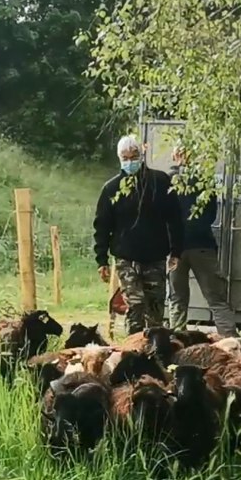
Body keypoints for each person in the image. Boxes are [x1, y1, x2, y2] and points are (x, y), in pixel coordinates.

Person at [93, 135, 183, 334]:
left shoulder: (159, 182)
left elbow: (175, 218)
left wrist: (176, 251)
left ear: (141, 156)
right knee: (136, 305)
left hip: (155, 257)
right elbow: (102, 226)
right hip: (126, 257)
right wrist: (102, 260)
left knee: (155, 309)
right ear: (119, 158)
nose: (130, 161)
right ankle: (133, 348)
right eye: (125, 158)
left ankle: (155, 351)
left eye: (134, 157)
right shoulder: (112, 189)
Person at [165, 146, 239, 338]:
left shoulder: (168, 180)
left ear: (175, 156)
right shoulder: (205, 180)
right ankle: (230, 341)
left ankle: (177, 341)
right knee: (216, 299)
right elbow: (212, 214)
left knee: (177, 299)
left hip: (175, 249)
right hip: (203, 245)